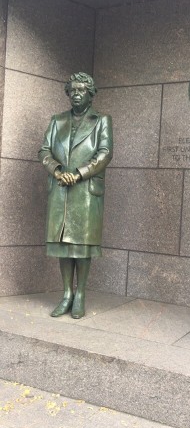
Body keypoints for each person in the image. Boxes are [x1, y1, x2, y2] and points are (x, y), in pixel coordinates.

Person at [39, 71, 113, 319]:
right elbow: (44, 151)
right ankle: (66, 293)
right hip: (61, 188)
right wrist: (58, 170)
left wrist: (79, 174)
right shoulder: (57, 120)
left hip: (86, 191)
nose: (76, 94)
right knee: (63, 245)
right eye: (72, 90)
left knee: (81, 246)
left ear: (91, 94)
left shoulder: (101, 120)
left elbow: (104, 153)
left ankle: (80, 293)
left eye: (81, 90)